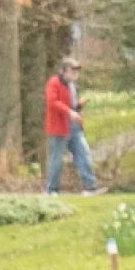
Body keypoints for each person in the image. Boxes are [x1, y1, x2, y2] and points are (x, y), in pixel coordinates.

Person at [43, 57, 101, 194]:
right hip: (59, 127)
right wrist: (69, 112)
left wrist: (78, 106)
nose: (75, 74)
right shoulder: (54, 83)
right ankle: (52, 190)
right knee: (57, 159)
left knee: (84, 153)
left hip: (74, 126)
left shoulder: (73, 86)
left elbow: (72, 105)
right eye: (72, 70)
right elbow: (53, 102)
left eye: (76, 71)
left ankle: (90, 187)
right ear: (63, 71)